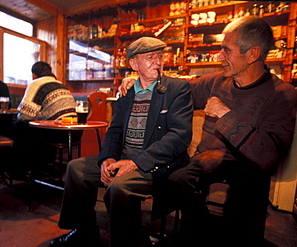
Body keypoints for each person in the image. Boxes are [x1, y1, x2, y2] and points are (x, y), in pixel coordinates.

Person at [120, 16, 297, 247]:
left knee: (248, 194)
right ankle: (202, 232)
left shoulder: (282, 95)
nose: (219, 56)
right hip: (206, 159)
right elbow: (174, 91)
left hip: (249, 166)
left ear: (253, 54)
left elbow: (267, 156)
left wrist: (225, 114)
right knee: (178, 177)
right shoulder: (216, 82)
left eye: (227, 50)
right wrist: (144, 79)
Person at [50, 37, 193, 247]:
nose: (158, 61)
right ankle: (84, 231)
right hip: (125, 157)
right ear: (134, 64)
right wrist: (107, 157)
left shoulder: (176, 88)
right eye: (150, 57)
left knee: (119, 187)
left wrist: (135, 163)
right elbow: (115, 130)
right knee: (76, 168)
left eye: (160, 56)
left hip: (156, 163)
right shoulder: (127, 93)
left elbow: (179, 136)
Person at [11, 61, 81, 176]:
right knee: (39, 127)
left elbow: (25, 115)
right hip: (74, 132)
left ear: (34, 75)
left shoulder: (36, 83)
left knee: (18, 126)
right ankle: (46, 166)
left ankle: (21, 171)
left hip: (57, 133)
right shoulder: (61, 84)